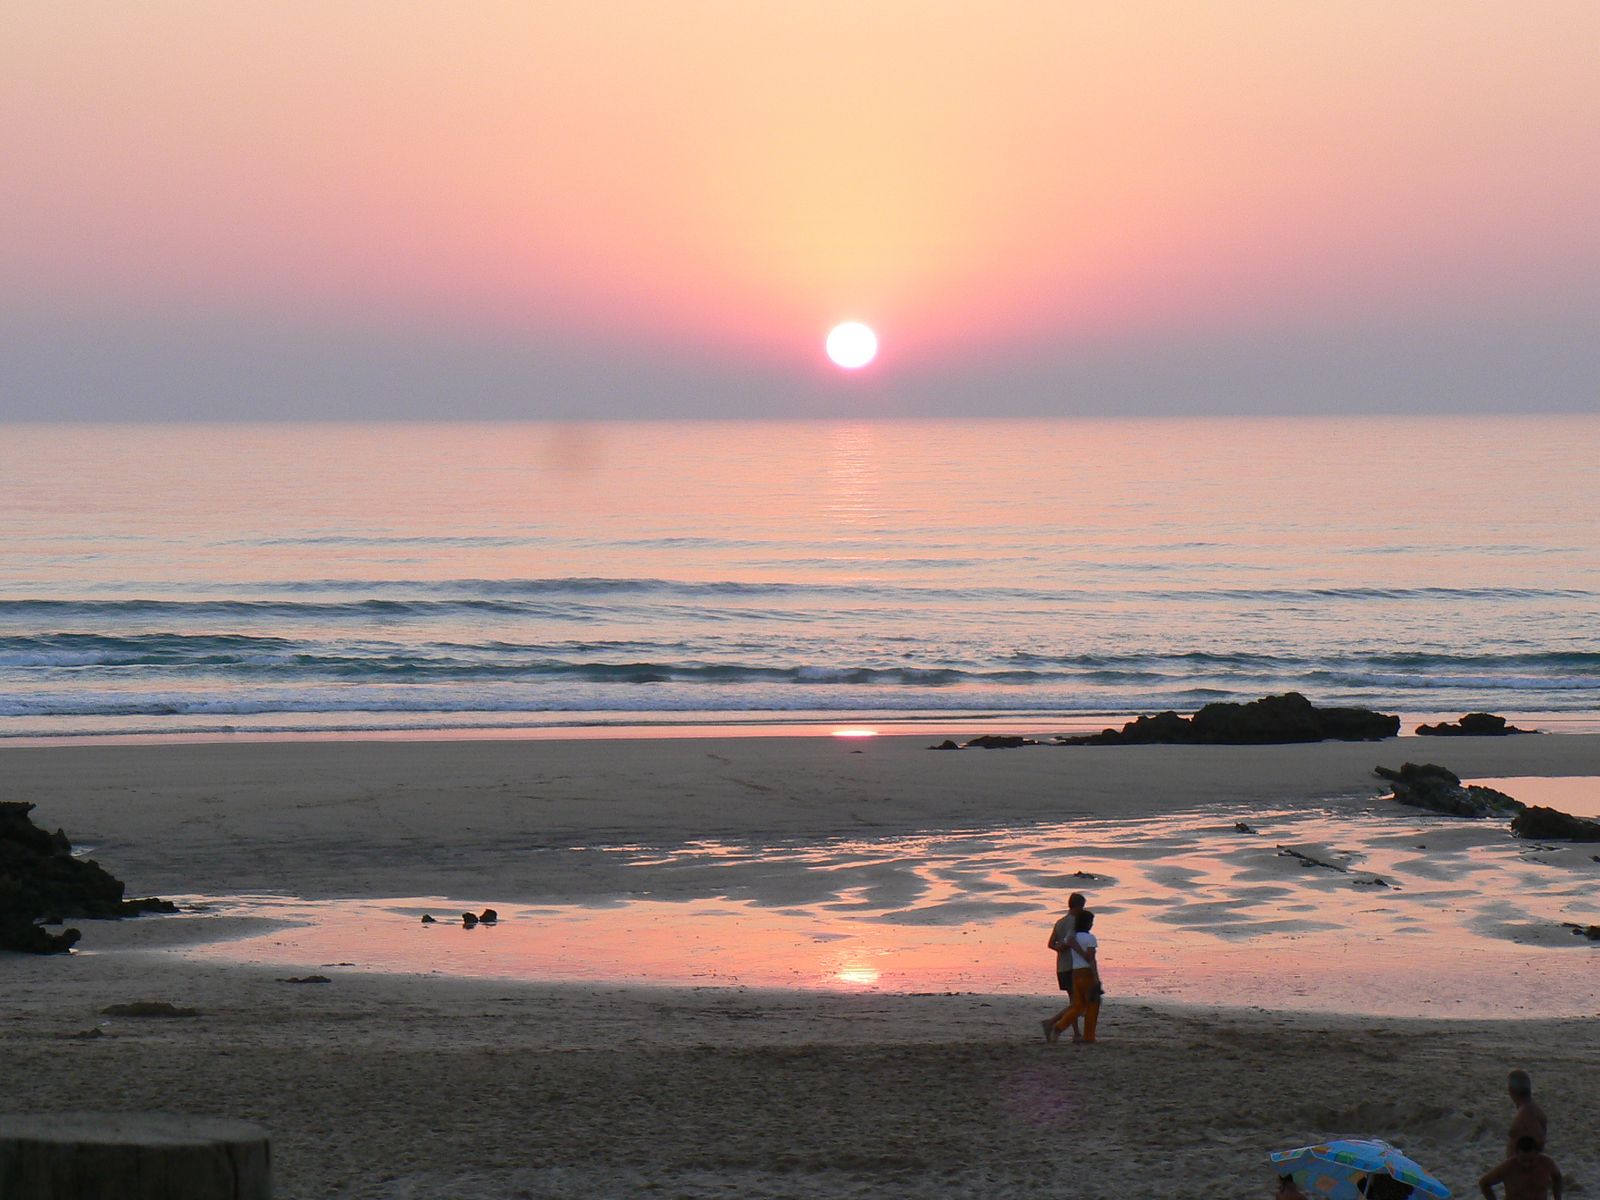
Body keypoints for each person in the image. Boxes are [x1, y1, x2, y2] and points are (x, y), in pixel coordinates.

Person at [1039, 891, 1086, 1042]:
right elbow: (1070, 940)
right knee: (1079, 1004)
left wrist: (1060, 947)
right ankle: (1051, 1022)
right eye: (1082, 907)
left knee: (1074, 1002)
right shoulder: (1074, 922)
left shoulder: (1060, 922)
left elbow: (1051, 944)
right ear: (1078, 907)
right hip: (1073, 966)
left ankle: (1077, 1034)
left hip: (1062, 967)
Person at [1050, 909, 1101, 1043]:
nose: (1092, 924)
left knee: (1077, 1006)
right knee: (1093, 1005)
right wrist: (1096, 978)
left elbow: (1059, 946)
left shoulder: (1072, 938)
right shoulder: (1090, 938)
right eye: (1091, 922)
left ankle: (1059, 1027)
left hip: (1075, 973)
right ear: (1088, 923)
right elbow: (1091, 959)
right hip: (1087, 974)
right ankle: (1089, 1037)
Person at [1478, 1135, 1563, 1200]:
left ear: (1537, 1155)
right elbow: (1484, 1183)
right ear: (1516, 1155)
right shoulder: (1508, 1167)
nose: (1527, 1165)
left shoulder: (1546, 1163)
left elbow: (1557, 1178)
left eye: (1531, 1160)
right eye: (1523, 1160)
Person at [1506, 1069, 1548, 1159]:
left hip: (1521, 1167)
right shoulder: (1531, 1108)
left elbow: (1539, 1140)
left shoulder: (1526, 1113)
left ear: (1510, 1090)